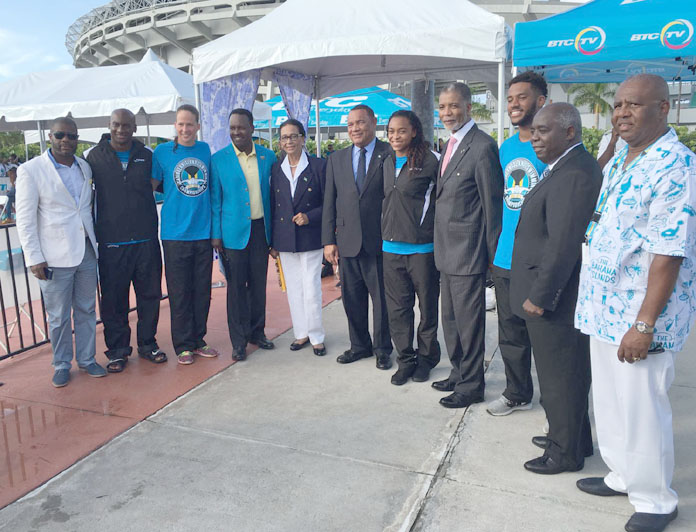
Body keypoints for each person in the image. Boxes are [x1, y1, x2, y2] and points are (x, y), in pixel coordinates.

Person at [575, 74, 696, 532]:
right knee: (609, 399)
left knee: (643, 405)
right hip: (604, 305)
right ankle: (623, 473)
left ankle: (656, 499)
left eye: (635, 105)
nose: (622, 113)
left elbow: (669, 252)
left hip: (640, 314)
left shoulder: (677, 166)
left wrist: (644, 325)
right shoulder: (623, 157)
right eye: (618, 105)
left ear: (663, 109)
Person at [510, 103, 601, 474]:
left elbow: (563, 243)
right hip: (550, 293)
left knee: (560, 375)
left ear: (569, 131)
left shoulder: (576, 173)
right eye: (533, 131)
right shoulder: (563, 167)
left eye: (543, 131)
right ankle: (573, 438)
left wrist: (541, 295)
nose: (534, 138)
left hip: (555, 299)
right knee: (565, 372)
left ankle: (564, 453)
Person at [15, 117, 106, 387]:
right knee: (57, 316)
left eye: (71, 136)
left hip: (87, 250)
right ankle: (62, 363)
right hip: (53, 256)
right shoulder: (31, 170)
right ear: (50, 138)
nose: (66, 140)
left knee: (87, 309)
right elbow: (25, 218)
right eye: (60, 135)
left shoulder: (84, 167)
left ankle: (87, 359)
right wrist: (34, 257)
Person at [432, 82, 503, 408]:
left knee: (469, 324)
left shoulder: (482, 146)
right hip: (446, 253)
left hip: (469, 254)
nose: (448, 113)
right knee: (450, 322)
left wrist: (490, 259)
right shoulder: (450, 144)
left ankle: (472, 384)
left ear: (469, 107)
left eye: (454, 106)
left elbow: (492, 208)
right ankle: (460, 373)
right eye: (443, 107)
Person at [85, 109, 165, 373]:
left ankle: (147, 344)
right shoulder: (93, 158)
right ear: (109, 126)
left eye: (127, 125)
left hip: (146, 241)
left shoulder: (147, 155)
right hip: (111, 244)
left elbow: (163, 184)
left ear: (134, 127)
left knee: (149, 298)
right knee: (114, 301)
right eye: (117, 125)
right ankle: (118, 351)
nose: (122, 129)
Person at [486, 71, 547, 417]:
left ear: (541, 102)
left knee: (544, 338)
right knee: (510, 335)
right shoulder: (506, 148)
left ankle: (556, 405)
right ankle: (517, 392)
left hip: (538, 262)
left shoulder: (552, 146)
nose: (513, 105)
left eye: (521, 98)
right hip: (505, 257)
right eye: (510, 99)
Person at [322, 104, 393, 370]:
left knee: (382, 301)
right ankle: (359, 346)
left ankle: (383, 349)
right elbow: (330, 201)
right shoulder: (336, 159)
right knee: (352, 299)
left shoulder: (389, 154)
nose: (355, 129)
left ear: (374, 122)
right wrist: (328, 240)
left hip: (380, 241)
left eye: (360, 123)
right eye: (350, 124)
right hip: (347, 241)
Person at [152, 104, 219, 365]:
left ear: (198, 126)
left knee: (201, 291)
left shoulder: (204, 150)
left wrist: (215, 231)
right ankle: (182, 345)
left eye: (189, 124)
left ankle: (198, 339)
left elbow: (211, 189)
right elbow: (153, 185)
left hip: (202, 233)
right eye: (180, 124)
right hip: (174, 234)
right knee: (179, 292)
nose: (185, 129)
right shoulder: (162, 152)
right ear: (175, 126)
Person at [211, 108, 277, 362]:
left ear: (252, 128)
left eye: (241, 127)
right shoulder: (219, 159)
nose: (236, 132)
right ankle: (238, 342)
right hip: (232, 234)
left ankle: (256, 333)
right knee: (237, 289)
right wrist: (216, 236)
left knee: (259, 285)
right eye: (232, 128)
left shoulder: (267, 157)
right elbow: (216, 200)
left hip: (261, 230)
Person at [381, 110, 440, 385]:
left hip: (422, 250)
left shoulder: (430, 161)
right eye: (391, 131)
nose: (395, 136)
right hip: (391, 250)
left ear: (414, 131)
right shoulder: (386, 160)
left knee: (427, 309)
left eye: (401, 131)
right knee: (398, 310)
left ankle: (426, 359)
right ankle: (405, 360)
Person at [269, 119, 326, 356]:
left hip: (311, 237)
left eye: (293, 136)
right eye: (284, 137)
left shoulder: (319, 166)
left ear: (303, 138)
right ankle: (301, 333)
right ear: (280, 142)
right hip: (285, 239)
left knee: (311, 287)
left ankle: (316, 336)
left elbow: (329, 203)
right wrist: (272, 241)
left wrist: (310, 217)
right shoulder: (276, 168)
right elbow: (273, 205)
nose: (289, 141)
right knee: (293, 288)